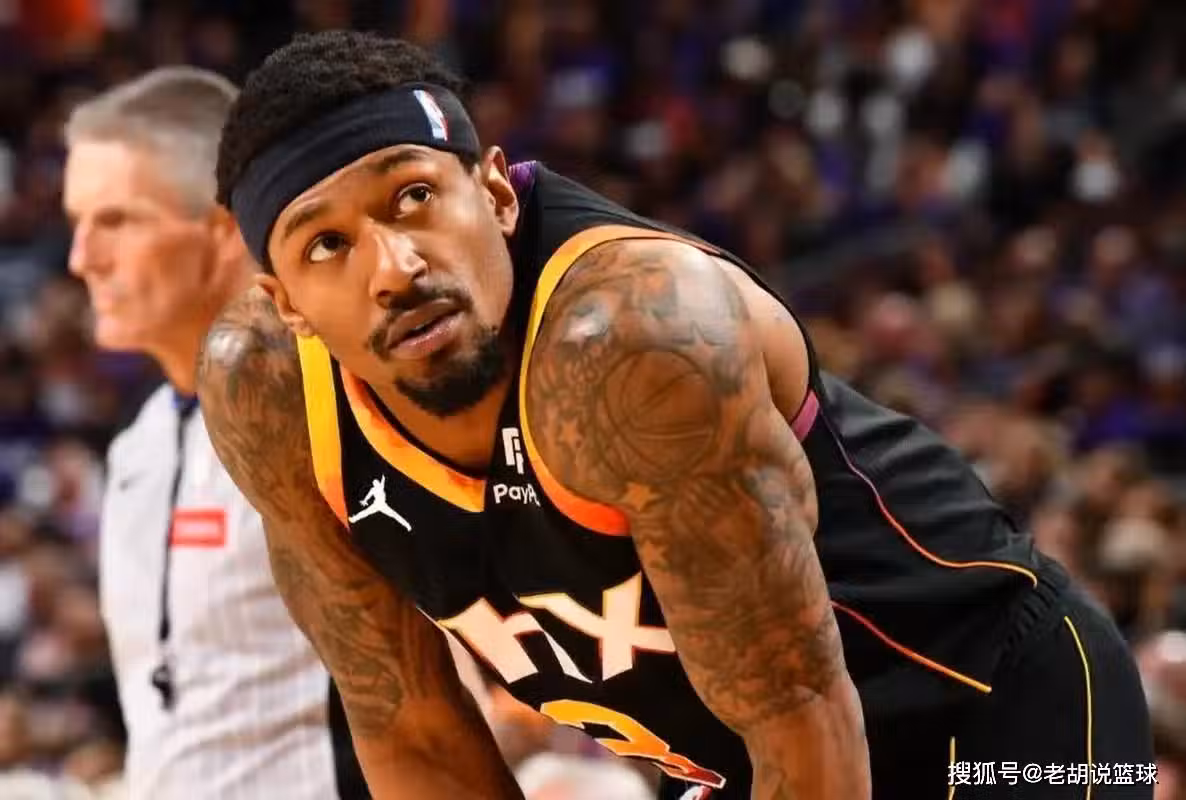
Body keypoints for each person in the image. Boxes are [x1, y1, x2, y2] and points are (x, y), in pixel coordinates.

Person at [198, 30, 1153, 799]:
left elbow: (801, 709)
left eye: (414, 197)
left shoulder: (630, 339)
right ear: (286, 303)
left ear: (492, 192)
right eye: (325, 246)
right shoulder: (270, 393)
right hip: (747, 761)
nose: (394, 269)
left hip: (992, 704)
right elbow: (413, 731)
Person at [61, 66, 371, 799]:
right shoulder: (138, 442)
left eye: (117, 221)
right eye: (77, 221)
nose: (81, 258)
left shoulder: (335, 407)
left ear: (224, 229)